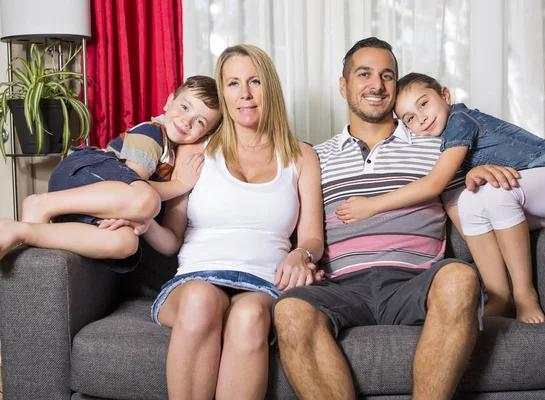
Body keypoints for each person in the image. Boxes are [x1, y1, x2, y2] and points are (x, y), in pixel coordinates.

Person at [273, 37, 488, 400]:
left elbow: (469, 219)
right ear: (344, 86)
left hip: (416, 282)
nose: (377, 85)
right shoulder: (314, 158)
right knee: (291, 310)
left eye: (387, 76)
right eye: (364, 74)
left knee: (460, 278)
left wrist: (488, 178)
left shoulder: (436, 145)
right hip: (342, 287)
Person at [137, 45, 324, 399]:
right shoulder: (196, 151)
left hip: (263, 284)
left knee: (250, 317)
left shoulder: (302, 156)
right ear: (222, 93)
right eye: (233, 83)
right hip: (196, 277)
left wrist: (302, 255)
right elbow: (173, 238)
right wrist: (142, 222)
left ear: (270, 87)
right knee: (201, 300)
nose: (246, 94)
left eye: (255, 82)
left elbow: (312, 237)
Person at [336, 72, 545, 323]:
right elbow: (466, 222)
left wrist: (373, 205)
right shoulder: (446, 150)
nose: (422, 118)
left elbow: (434, 184)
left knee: (497, 190)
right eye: (410, 118)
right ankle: (500, 296)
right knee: (471, 200)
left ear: (446, 95)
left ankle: (524, 295)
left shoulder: (460, 120)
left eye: (424, 104)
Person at [0, 76, 223, 269]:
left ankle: (23, 231)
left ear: (206, 134)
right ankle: (42, 203)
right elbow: (130, 185)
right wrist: (180, 185)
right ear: (169, 101)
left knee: (125, 243)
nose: (187, 121)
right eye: (185, 107)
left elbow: (170, 245)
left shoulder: (180, 163)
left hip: (95, 202)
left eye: (200, 121)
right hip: (84, 170)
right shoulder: (153, 132)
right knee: (145, 199)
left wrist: (146, 224)